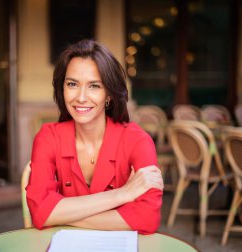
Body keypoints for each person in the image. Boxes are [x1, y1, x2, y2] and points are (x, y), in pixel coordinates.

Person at [26, 39, 163, 234]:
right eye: (72, 84)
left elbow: (148, 219)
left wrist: (59, 214)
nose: (81, 97)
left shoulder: (137, 141)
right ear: (62, 88)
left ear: (109, 94)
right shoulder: (48, 138)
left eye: (94, 86)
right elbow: (39, 212)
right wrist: (124, 194)